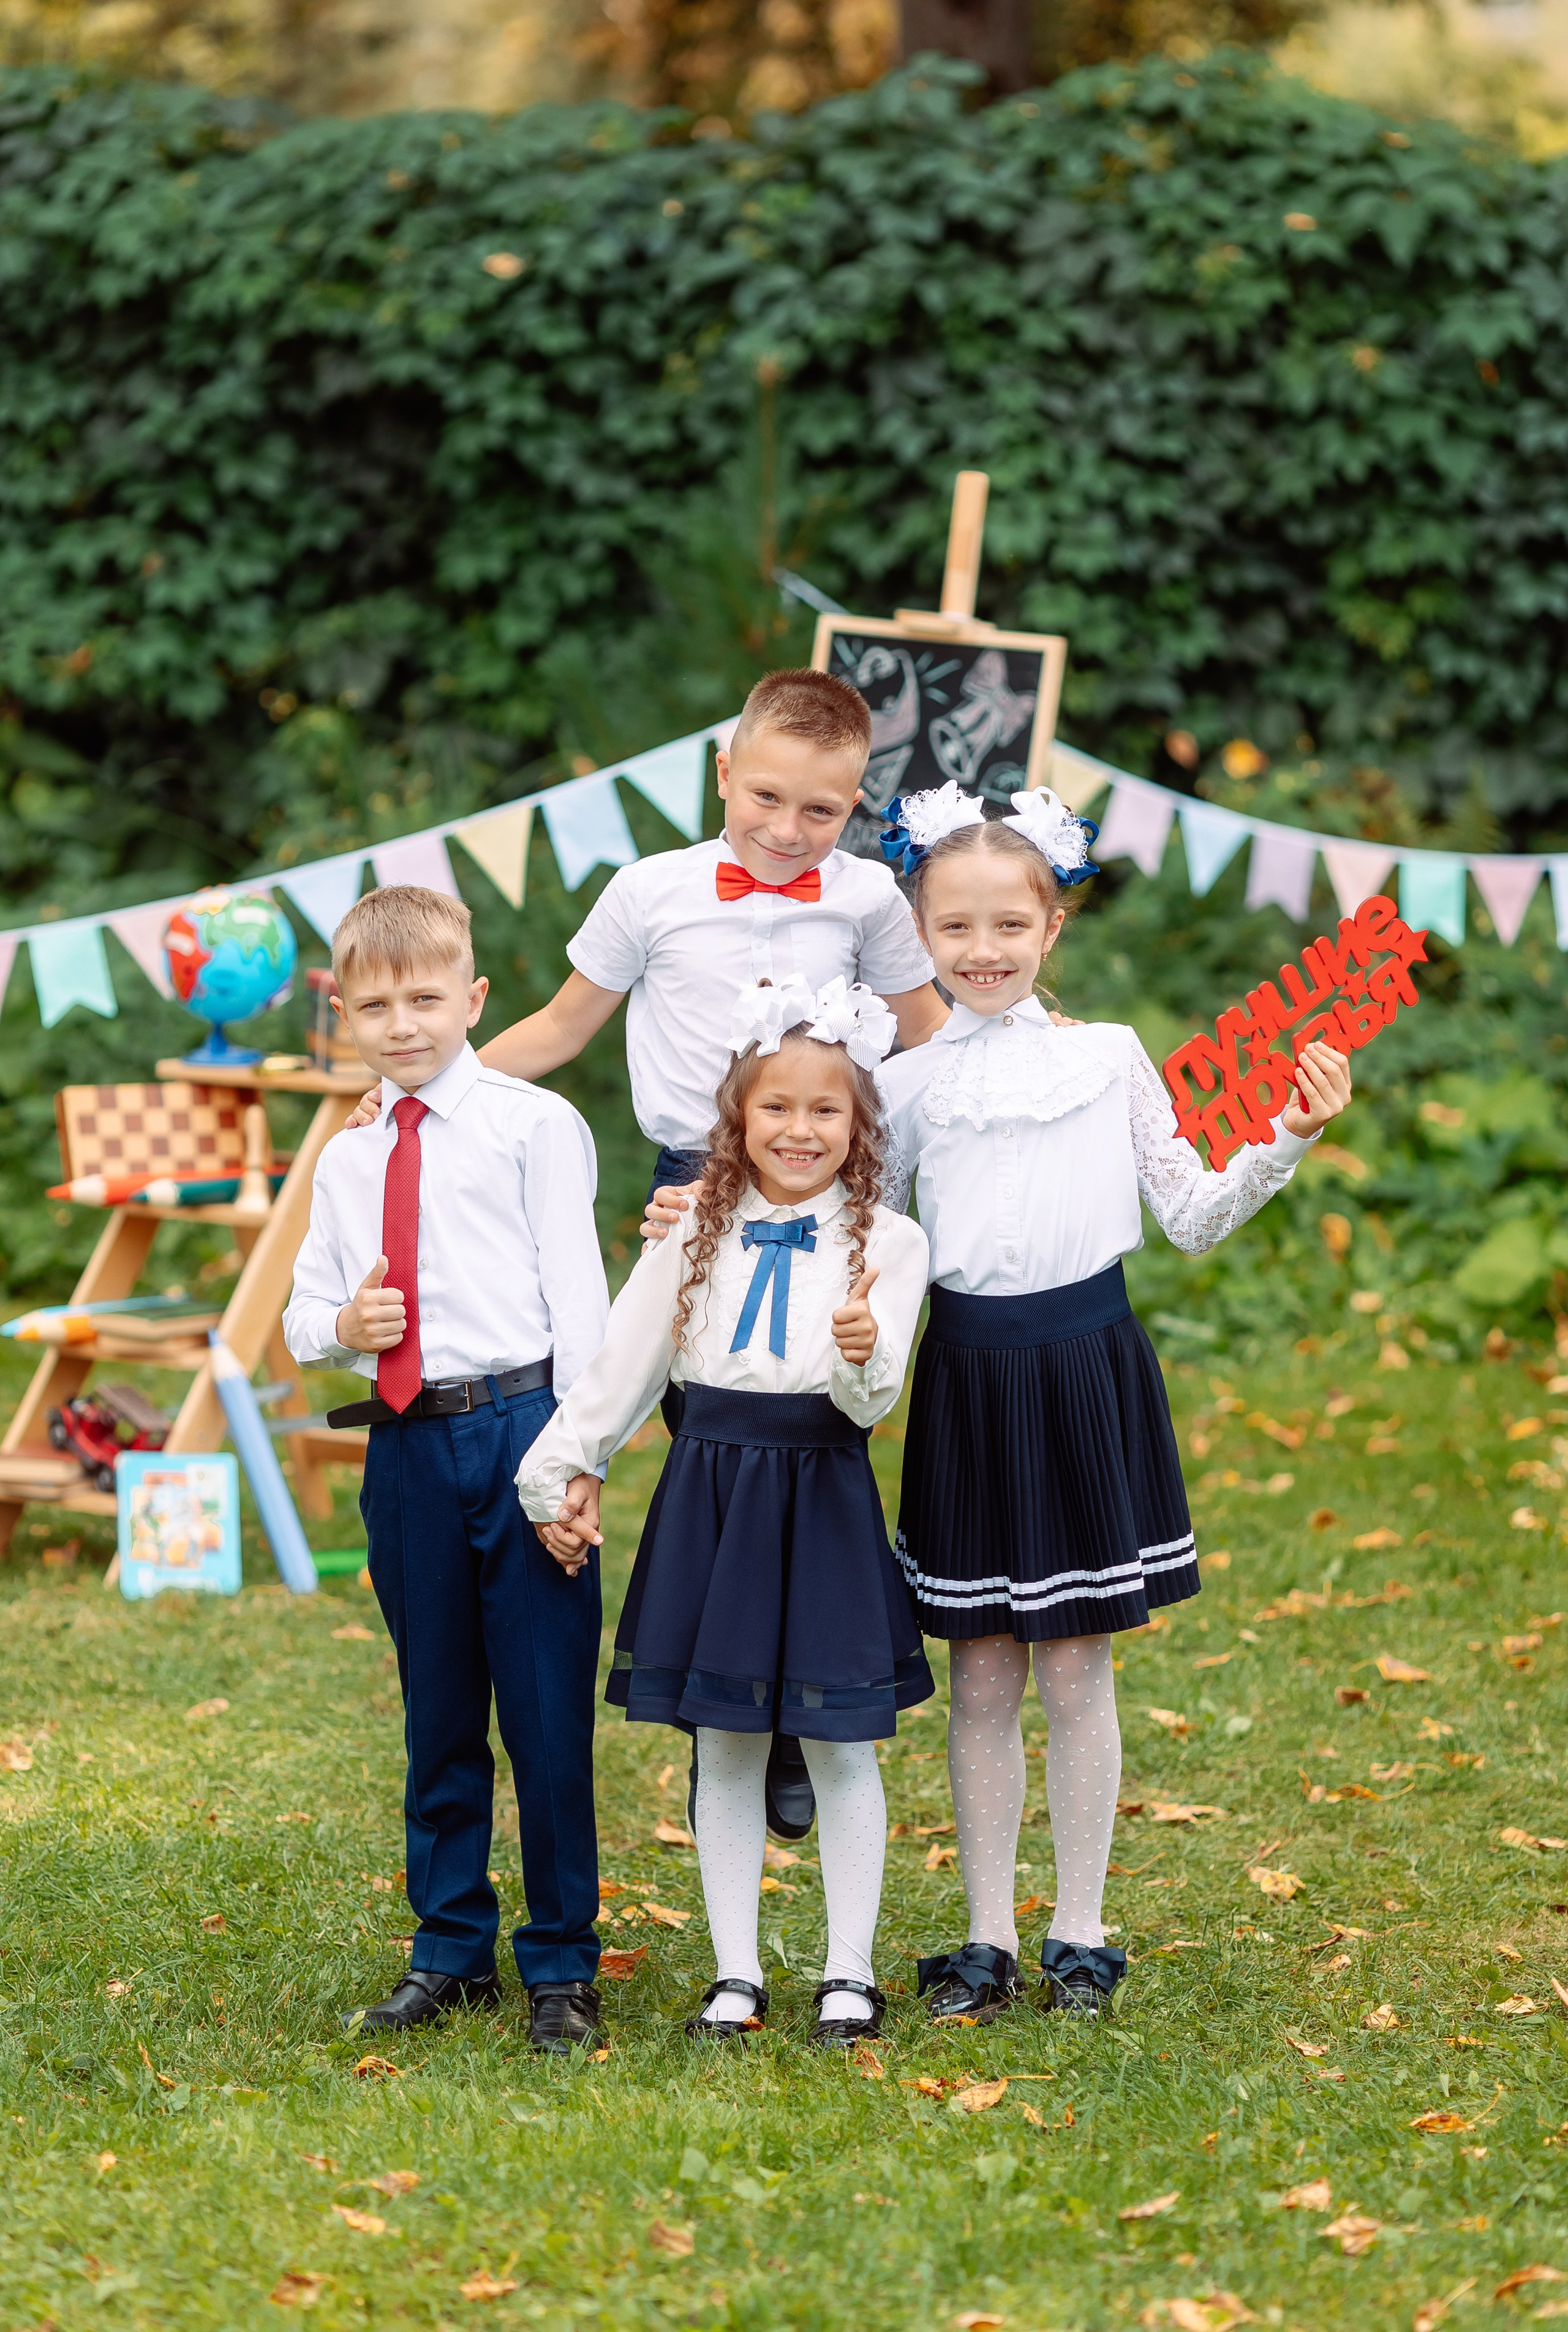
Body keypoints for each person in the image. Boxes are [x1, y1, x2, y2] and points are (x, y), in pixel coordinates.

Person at [346, 666, 947, 1846]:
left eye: (819, 812)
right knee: (713, 1445)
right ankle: (727, 1704)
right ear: (723, 772)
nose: (785, 831)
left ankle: (792, 1712)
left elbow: (932, 1038)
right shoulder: (651, 891)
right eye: (765, 798)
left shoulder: (874, 900)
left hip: (831, 1186)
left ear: (858, 803)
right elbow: (564, 1027)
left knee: (814, 1442)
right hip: (695, 1189)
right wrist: (416, 1089)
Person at [874, 781, 1354, 2028]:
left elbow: (1187, 1214)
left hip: (1084, 1367)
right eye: (953, 929)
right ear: (919, 934)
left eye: (1006, 925)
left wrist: (1285, 1134)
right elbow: (857, 1229)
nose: (980, 951)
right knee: (979, 1671)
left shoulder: (1106, 1056)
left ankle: (1077, 1933)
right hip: (967, 1378)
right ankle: (981, 1938)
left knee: (1074, 1666)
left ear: (1051, 928)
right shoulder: (907, 1081)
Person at [515, 974, 932, 2048]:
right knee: (728, 1740)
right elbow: (623, 1363)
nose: (800, 1130)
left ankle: (849, 1973)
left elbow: (874, 1397)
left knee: (841, 1743)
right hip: (712, 1492)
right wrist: (559, 1466)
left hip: (824, 1488)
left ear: (859, 1121)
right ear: (738, 1119)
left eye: (826, 1110)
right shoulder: (694, 1227)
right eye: (777, 1108)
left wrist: (862, 1353)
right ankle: (735, 1973)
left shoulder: (890, 1240)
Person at [282, 885, 610, 2056]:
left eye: (425, 998)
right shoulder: (348, 1157)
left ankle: (564, 1962)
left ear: (472, 997)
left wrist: (580, 1463)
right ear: (343, 1014)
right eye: (375, 1005)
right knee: (438, 1710)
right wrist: (343, 1327)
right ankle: (449, 1946)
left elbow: (583, 1306)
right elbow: (300, 1313)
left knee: (542, 1709)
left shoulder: (535, 1125)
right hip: (407, 1443)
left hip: (522, 1430)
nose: (402, 1023)